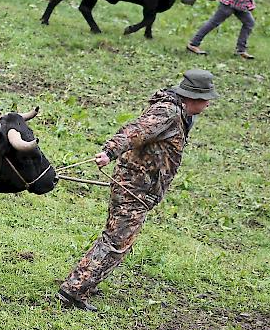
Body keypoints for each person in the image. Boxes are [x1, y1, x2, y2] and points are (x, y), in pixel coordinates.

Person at [57, 69, 218, 311]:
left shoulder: (180, 114)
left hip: (141, 186)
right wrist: (110, 151)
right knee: (116, 241)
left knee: (120, 239)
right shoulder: (168, 113)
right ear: (193, 97)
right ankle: (73, 291)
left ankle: (84, 283)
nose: (207, 105)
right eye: (206, 99)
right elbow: (135, 130)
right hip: (134, 186)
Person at [187, 0, 260, 59]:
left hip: (240, 3)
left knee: (249, 23)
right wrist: (250, 2)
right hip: (230, 1)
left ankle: (241, 50)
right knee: (213, 22)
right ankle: (193, 44)